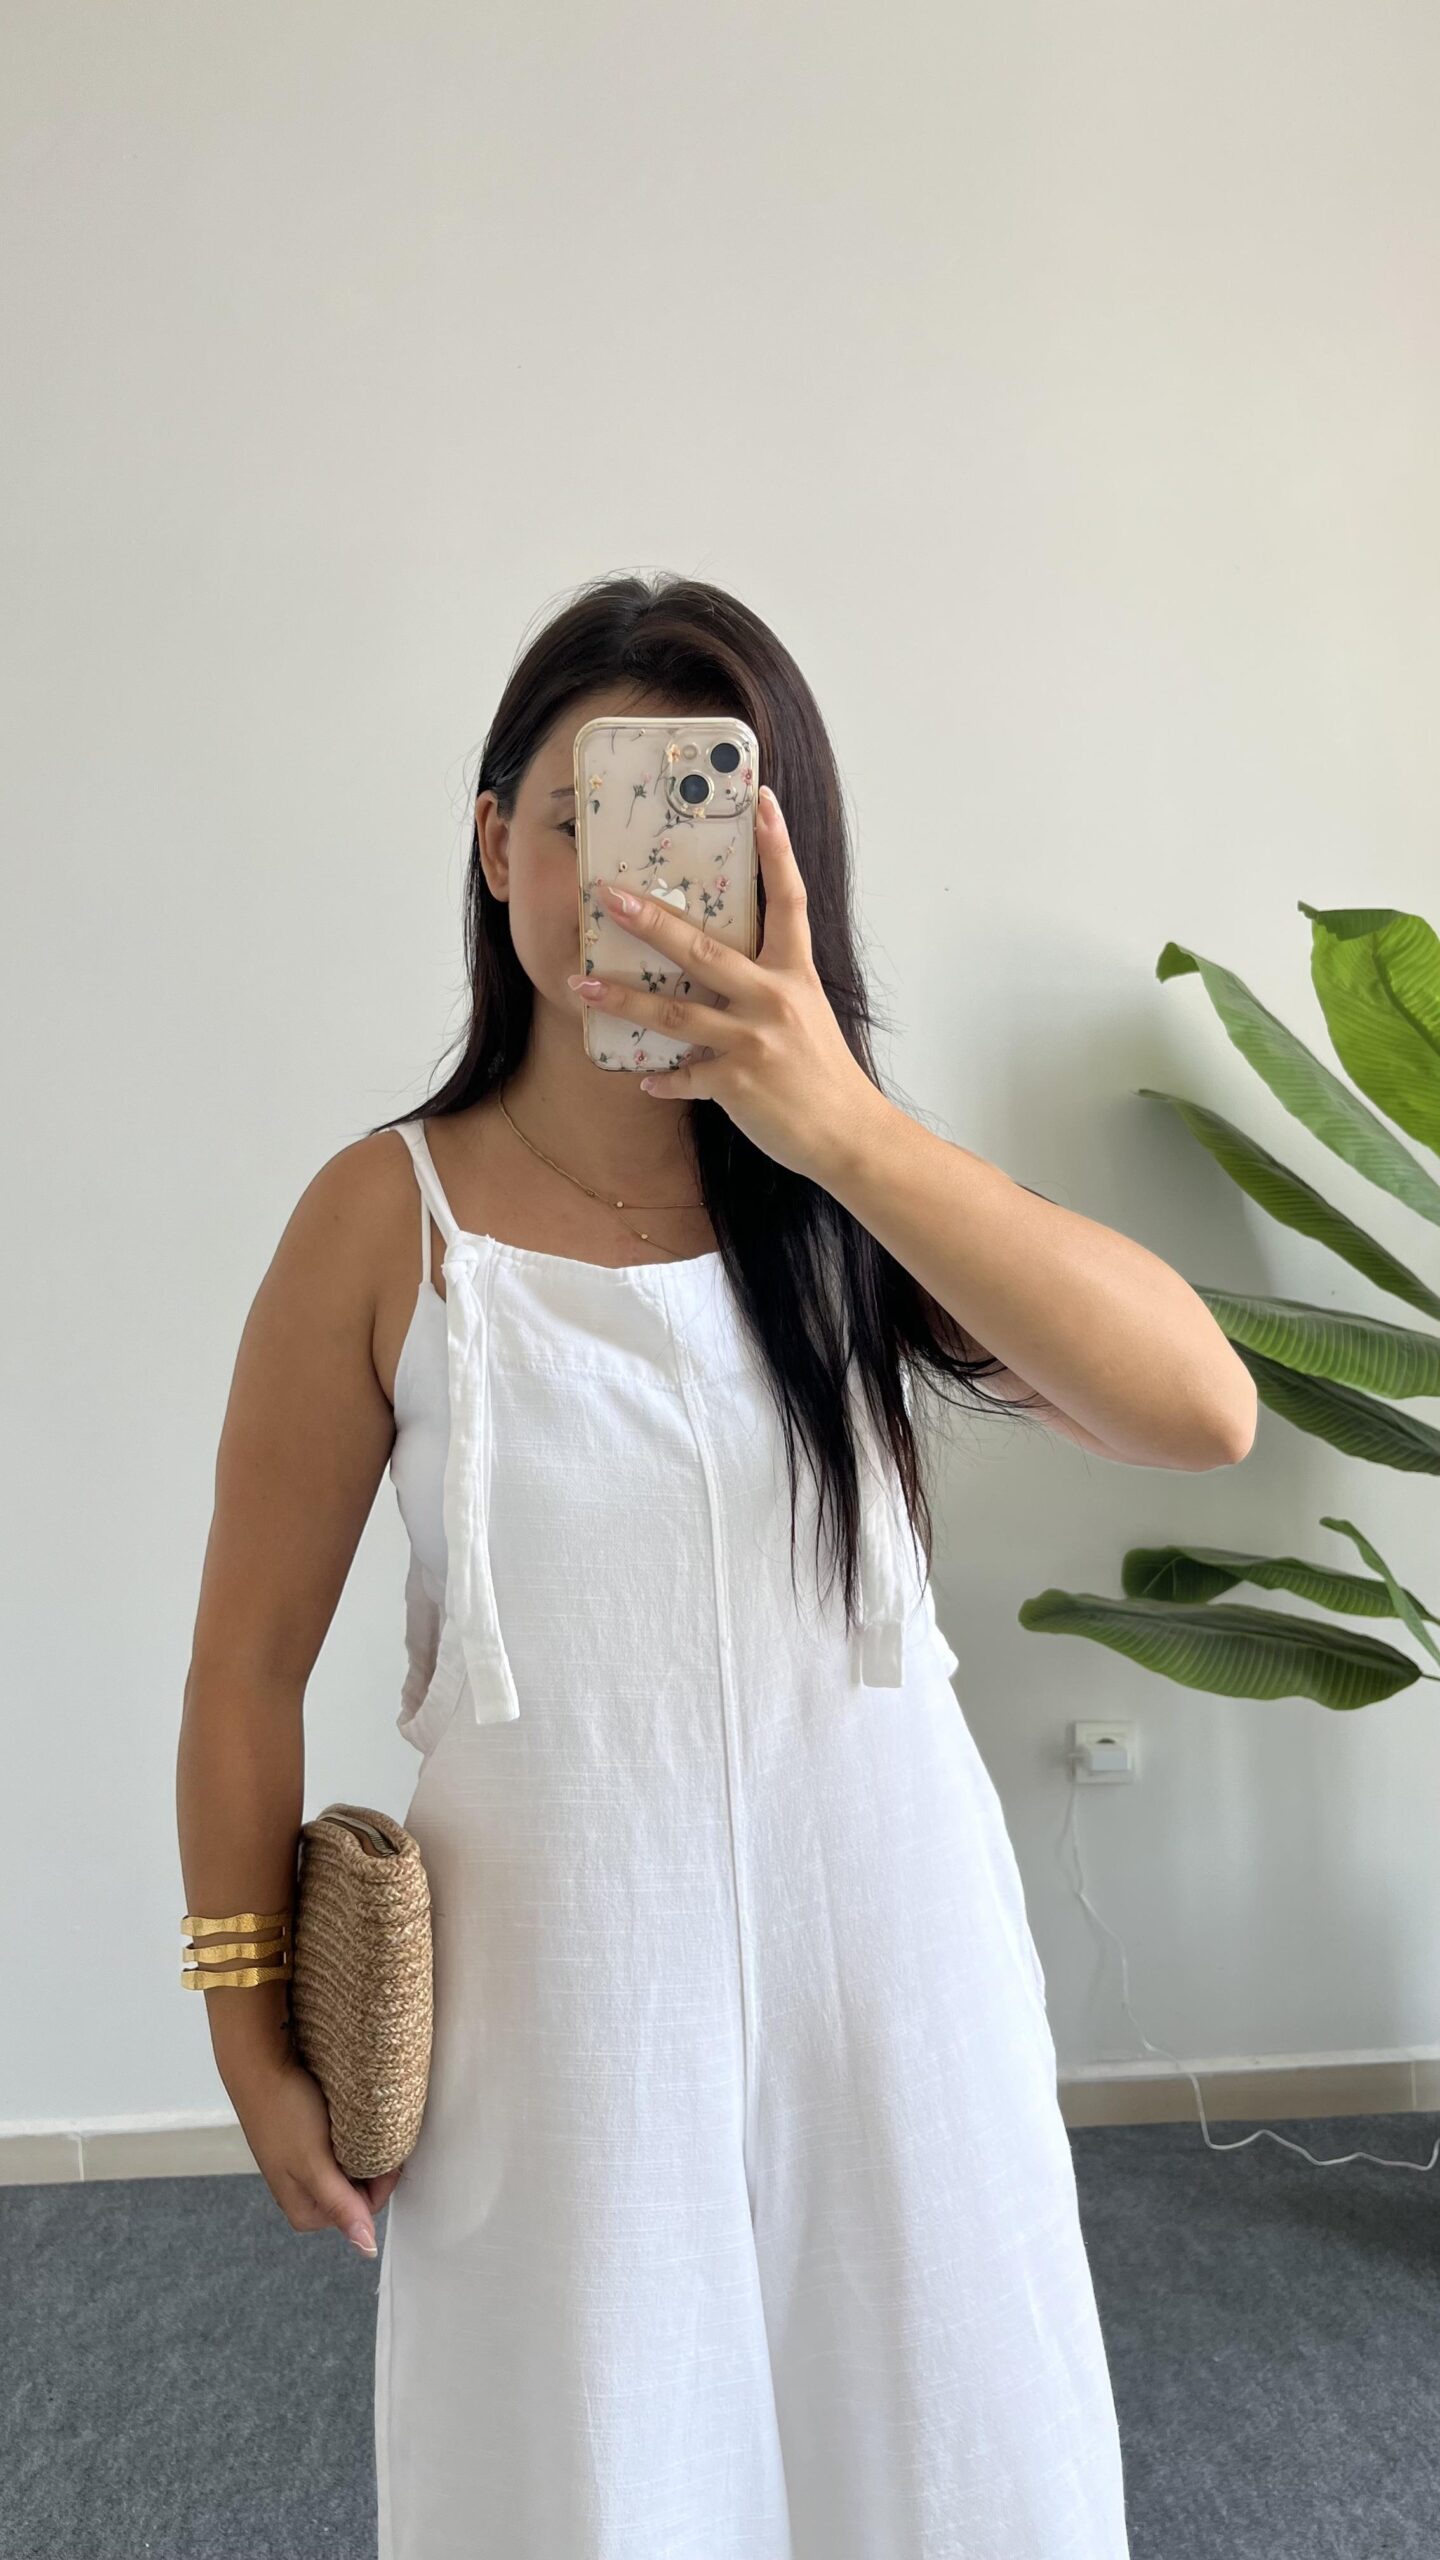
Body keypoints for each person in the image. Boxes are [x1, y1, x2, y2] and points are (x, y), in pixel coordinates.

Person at [177, 571, 1256, 2559]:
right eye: (577, 809)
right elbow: (245, 1663)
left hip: (894, 1964)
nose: (625, 868)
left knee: (948, 2462)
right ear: (494, 844)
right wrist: (247, 2031)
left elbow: (1200, 1407)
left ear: (782, 860)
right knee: (595, 2477)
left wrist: (840, 1125)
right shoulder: (383, 1217)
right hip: (557, 2004)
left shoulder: (852, 1192)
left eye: (689, 812)